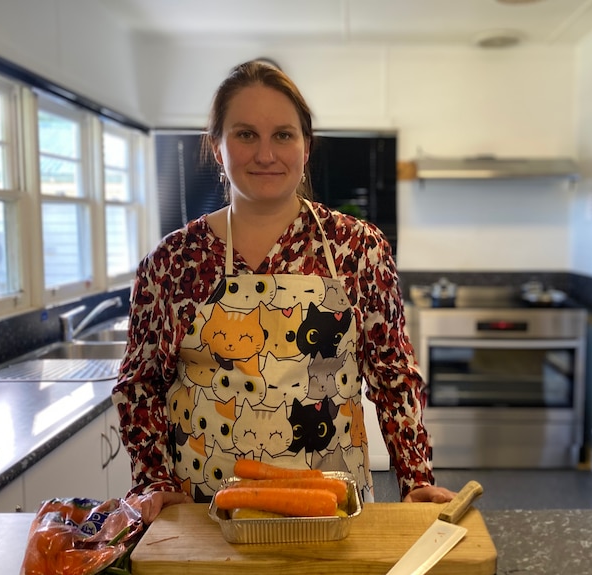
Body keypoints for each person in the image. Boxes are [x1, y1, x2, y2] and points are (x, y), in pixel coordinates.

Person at [112, 59, 456, 524]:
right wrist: (154, 479)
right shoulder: (174, 261)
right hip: (206, 512)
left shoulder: (356, 247)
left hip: (330, 507)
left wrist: (415, 479)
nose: (266, 154)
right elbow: (140, 383)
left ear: (306, 146)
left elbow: (392, 375)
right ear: (218, 147)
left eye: (283, 135)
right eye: (245, 134)